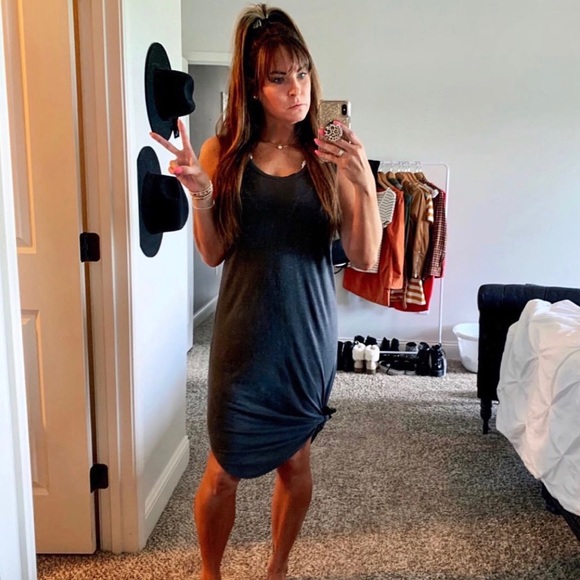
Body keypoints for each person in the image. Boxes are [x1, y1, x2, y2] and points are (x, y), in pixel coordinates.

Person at [151, 4, 381, 579]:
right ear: (254, 88)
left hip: (305, 335)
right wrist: (201, 193)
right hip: (243, 337)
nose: (296, 89)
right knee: (221, 471)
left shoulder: (329, 158)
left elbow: (366, 257)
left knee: (295, 464)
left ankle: (277, 569)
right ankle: (210, 572)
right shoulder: (222, 153)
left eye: (301, 73)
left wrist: (363, 184)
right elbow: (213, 252)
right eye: (279, 78)